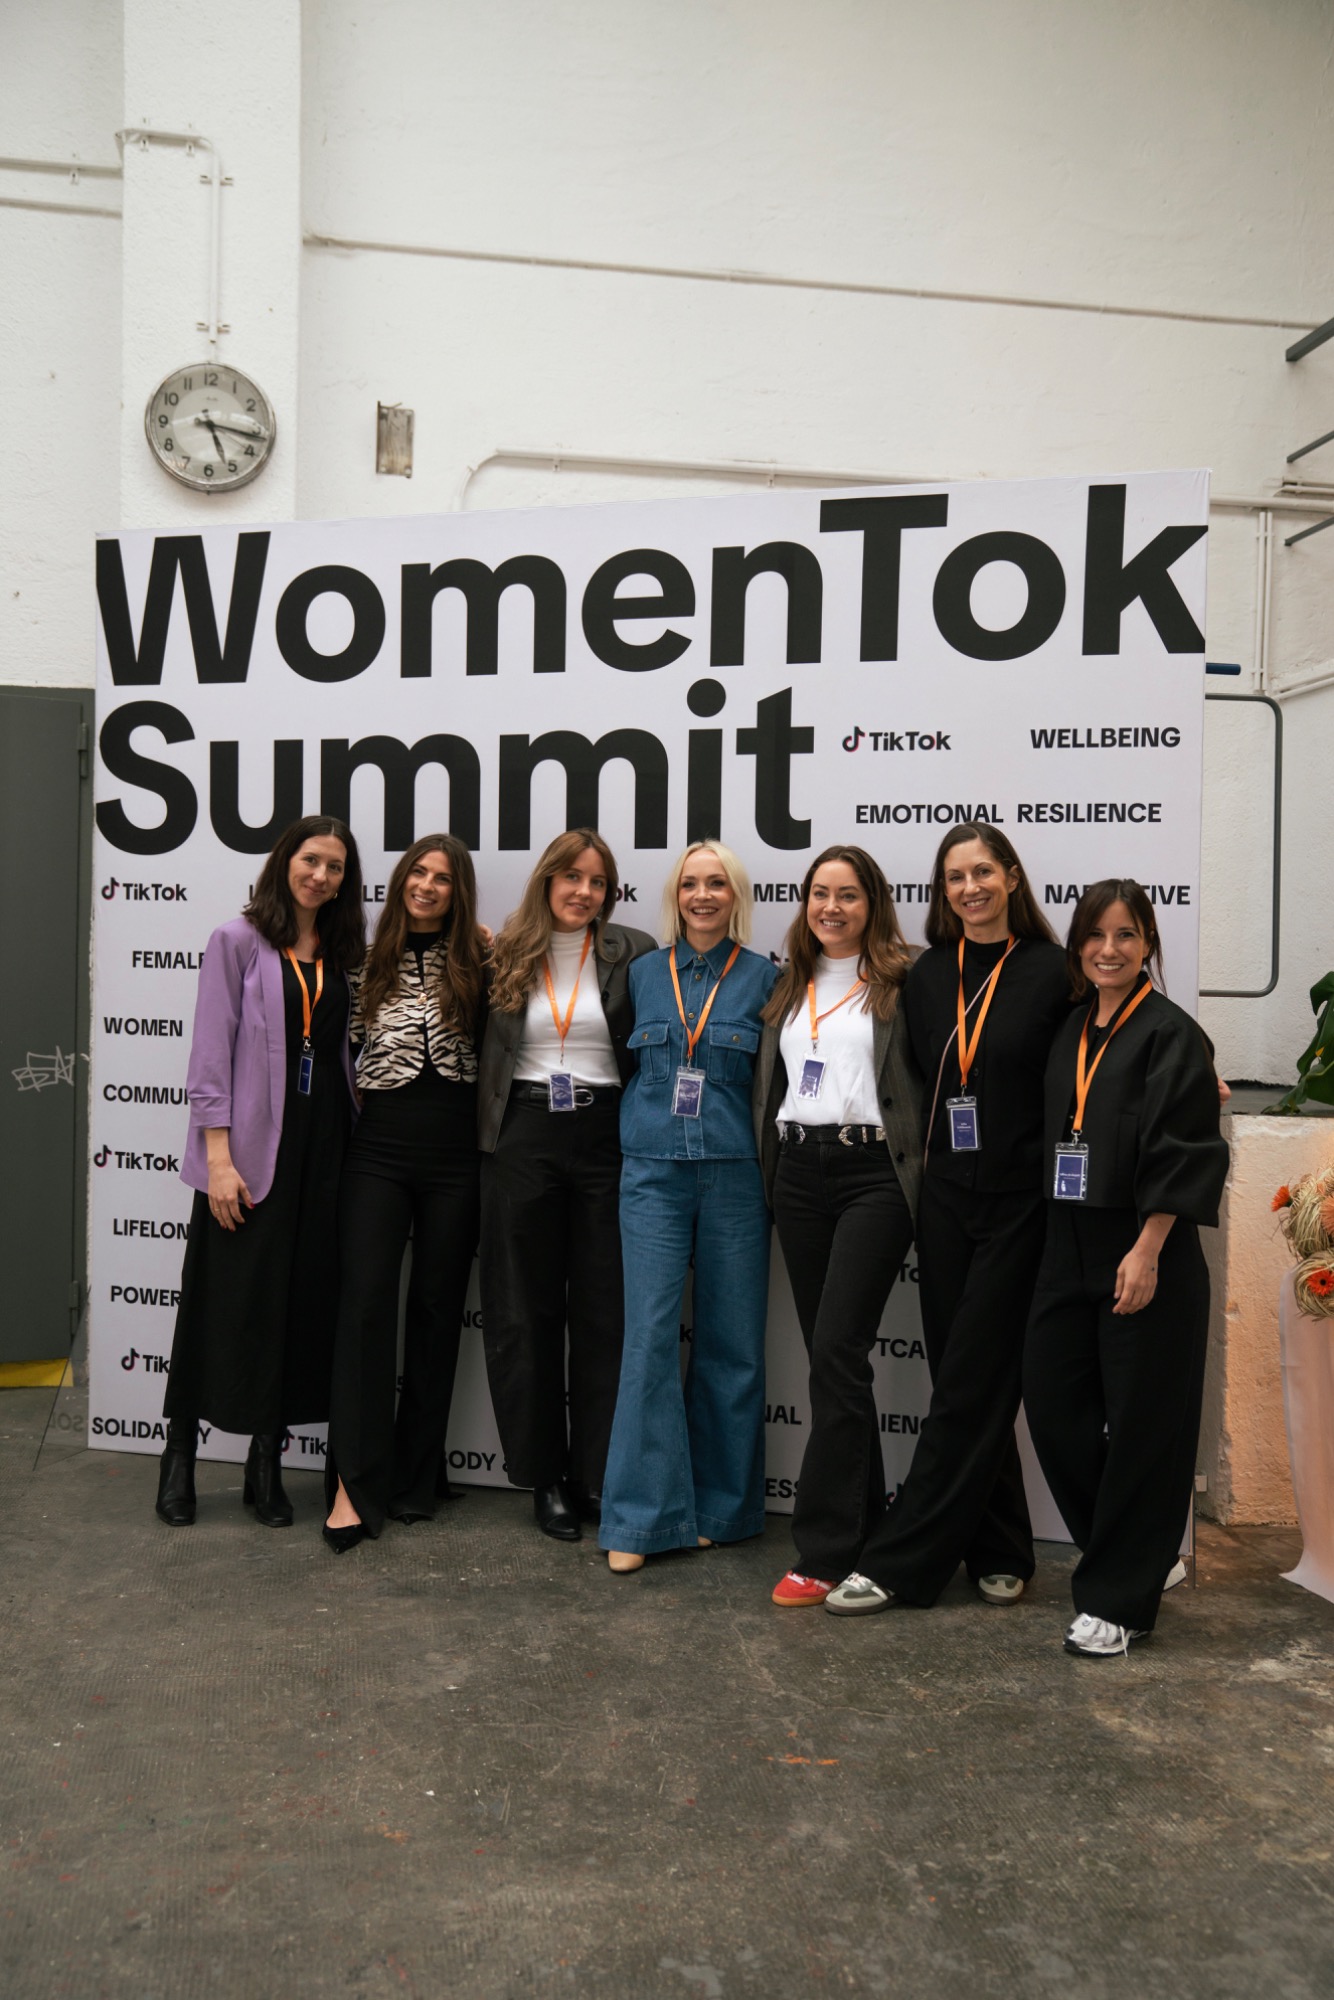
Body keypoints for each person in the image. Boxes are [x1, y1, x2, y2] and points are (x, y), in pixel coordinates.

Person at [822, 825, 1068, 1618]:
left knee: (971, 1382)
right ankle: (1001, 1548)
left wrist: (1196, 1063)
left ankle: (901, 1561)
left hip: (1021, 1204)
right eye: (955, 876)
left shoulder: (1053, 970)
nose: (970, 888)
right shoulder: (928, 975)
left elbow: (1111, 1037)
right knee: (967, 1378)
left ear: (1012, 878)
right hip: (945, 1201)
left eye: (983, 872)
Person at [1021, 879, 1228, 1658]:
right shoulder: (1071, 1027)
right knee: (1054, 1408)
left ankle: (1119, 1602)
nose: (1109, 949)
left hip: (1144, 1245)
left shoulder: (1174, 1034)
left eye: (1126, 935)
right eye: (1096, 935)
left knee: (1144, 1427)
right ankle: (1138, 1553)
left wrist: (1148, 1249)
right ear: (1077, 944)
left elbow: (1185, 1149)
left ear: (1148, 945)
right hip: (1065, 1238)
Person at [155, 816, 364, 1528]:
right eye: (311, 860)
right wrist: (217, 1160)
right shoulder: (236, 940)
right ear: (284, 863)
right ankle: (179, 1454)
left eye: (335, 867)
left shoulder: (341, 953)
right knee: (220, 1305)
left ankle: (265, 1462)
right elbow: (210, 1056)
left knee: (296, 1309)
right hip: (248, 1157)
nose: (321, 876)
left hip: (323, 1153)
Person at [599, 843, 778, 1572]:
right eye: (690, 884)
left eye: (717, 884)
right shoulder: (642, 973)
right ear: (675, 895)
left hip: (736, 1178)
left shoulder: (766, 977)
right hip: (652, 1175)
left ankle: (721, 1510)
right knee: (648, 1340)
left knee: (733, 1344)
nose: (703, 895)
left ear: (736, 895)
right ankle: (640, 1520)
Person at [752, 846, 923, 1607]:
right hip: (797, 1171)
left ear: (873, 903)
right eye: (820, 893)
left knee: (835, 1353)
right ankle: (867, 1528)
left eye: (848, 895)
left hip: (873, 1175)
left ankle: (823, 1550)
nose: (831, 907)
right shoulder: (787, 981)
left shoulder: (905, 979)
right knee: (836, 1363)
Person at [478, 829, 655, 1541]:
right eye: (572, 877)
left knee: (607, 1312)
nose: (584, 891)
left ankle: (598, 1474)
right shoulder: (502, 953)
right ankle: (544, 1477)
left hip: (608, 1135)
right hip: (523, 1134)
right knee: (524, 1310)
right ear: (547, 880)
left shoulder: (632, 952)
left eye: (597, 881)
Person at [321, 835, 487, 1553]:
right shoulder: (361, 961)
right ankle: (352, 1483)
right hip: (378, 1153)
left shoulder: (481, 962)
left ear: (458, 891)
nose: (427, 885)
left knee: (437, 1311)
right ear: (399, 881)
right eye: (418, 872)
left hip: (457, 1157)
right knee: (364, 1309)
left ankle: (418, 1477)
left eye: (443, 878)